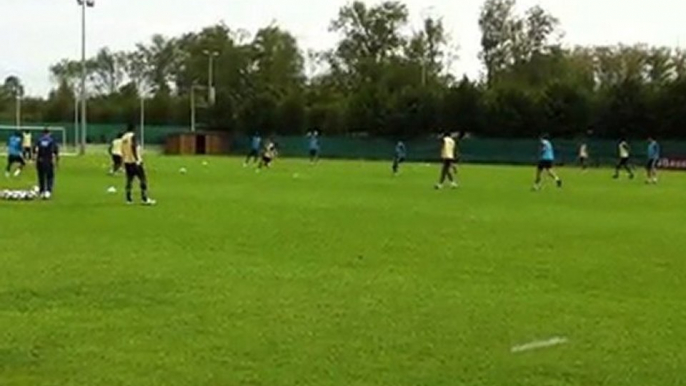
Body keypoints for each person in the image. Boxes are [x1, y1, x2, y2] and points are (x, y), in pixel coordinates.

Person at [121, 124, 156, 205]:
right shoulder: (132, 136)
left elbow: (122, 150)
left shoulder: (123, 138)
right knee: (142, 179)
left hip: (127, 161)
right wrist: (137, 159)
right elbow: (133, 146)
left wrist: (123, 161)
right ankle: (144, 198)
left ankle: (128, 199)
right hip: (134, 161)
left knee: (129, 180)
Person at [34, 128, 59, 199]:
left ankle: (42, 191)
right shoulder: (51, 141)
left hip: (39, 161)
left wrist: (34, 160)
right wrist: (56, 161)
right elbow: (55, 151)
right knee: (50, 176)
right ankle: (48, 191)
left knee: (41, 176)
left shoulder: (39, 141)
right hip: (48, 160)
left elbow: (35, 150)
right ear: (49, 133)